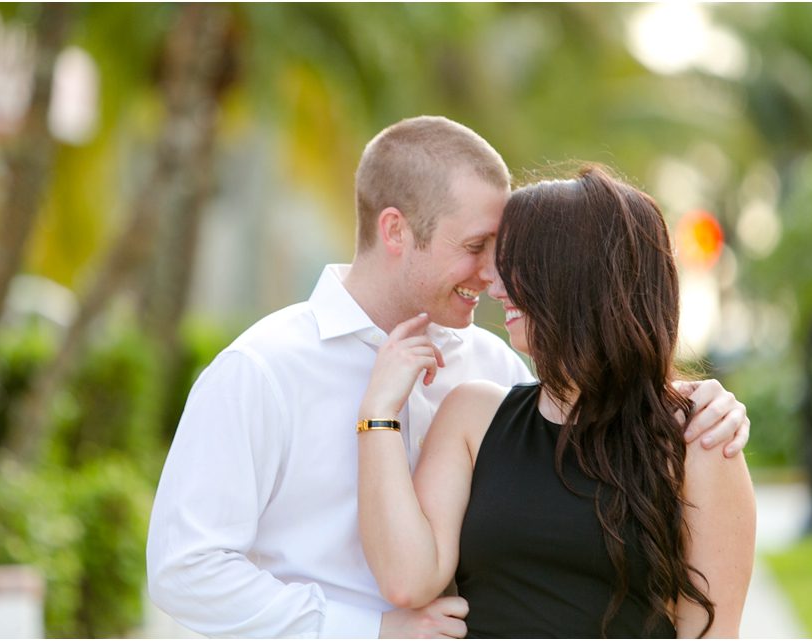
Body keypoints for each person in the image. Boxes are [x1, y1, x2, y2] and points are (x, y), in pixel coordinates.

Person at [146, 116, 750, 638]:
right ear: (395, 231)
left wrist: (695, 402)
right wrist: (368, 632)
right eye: (477, 245)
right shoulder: (263, 371)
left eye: (503, 250)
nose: (495, 274)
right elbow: (186, 570)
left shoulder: (488, 365)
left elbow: (591, 442)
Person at [356, 165, 756, 638]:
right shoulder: (472, 416)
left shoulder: (699, 440)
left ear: (574, 276)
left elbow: (711, 632)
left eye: (517, 266)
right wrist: (377, 416)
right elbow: (407, 581)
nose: (495, 285)